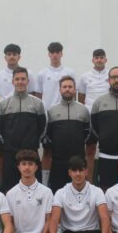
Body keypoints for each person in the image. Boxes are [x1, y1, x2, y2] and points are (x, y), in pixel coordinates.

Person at [0, 67, 47, 192]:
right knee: (9, 190)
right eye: (17, 79)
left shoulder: (37, 103)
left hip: (31, 153)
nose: (20, 82)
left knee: (34, 190)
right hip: (10, 154)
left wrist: (33, 142)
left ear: (27, 81)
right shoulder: (3, 104)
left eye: (23, 79)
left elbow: (43, 126)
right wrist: (8, 144)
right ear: (13, 81)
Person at [37, 42, 76, 185]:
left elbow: (74, 94)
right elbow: (38, 96)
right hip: (49, 117)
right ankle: (45, 183)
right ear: (49, 54)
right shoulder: (42, 73)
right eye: (52, 52)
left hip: (65, 117)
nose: (55, 55)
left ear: (61, 54)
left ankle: (71, 181)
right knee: (47, 151)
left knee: (67, 150)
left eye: (57, 52)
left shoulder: (70, 72)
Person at [44, 76, 90, 192]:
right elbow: (48, 134)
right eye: (64, 87)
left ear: (75, 89)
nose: (67, 89)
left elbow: (87, 134)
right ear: (60, 90)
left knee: (78, 193)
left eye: (70, 87)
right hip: (58, 161)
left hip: (78, 162)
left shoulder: (84, 110)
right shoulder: (51, 110)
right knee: (57, 193)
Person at [78, 49, 109, 182]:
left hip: (107, 118)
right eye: (97, 58)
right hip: (91, 119)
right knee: (90, 151)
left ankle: (106, 182)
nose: (99, 60)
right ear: (93, 60)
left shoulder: (111, 75)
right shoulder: (85, 77)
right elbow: (81, 98)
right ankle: (88, 183)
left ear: (105, 60)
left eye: (101, 57)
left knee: (107, 151)